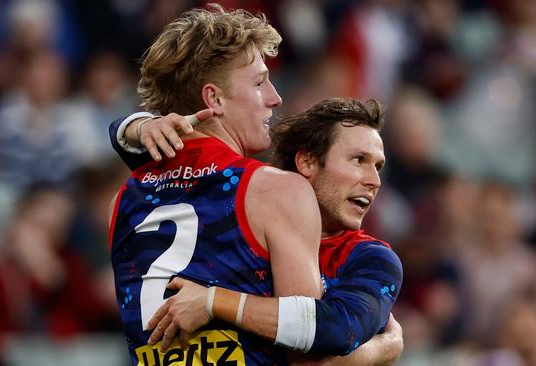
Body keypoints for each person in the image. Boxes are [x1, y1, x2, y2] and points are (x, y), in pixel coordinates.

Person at [112, 98, 404, 365]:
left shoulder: (371, 258)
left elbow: (340, 331)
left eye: (378, 166)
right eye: (359, 160)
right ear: (307, 162)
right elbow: (154, 157)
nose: (374, 180)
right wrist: (139, 126)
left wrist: (214, 302)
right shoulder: (239, 214)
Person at [108, 5, 324, 365]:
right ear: (214, 99)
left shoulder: (124, 197)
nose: (275, 97)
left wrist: (133, 126)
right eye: (259, 82)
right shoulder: (276, 190)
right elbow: (309, 350)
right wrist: (384, 346)